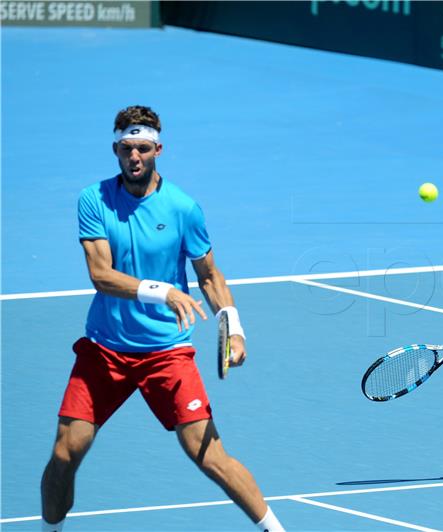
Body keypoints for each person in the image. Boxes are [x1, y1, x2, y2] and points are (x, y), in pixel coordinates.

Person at [40, 106, 285, 532]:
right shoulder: (93, 199)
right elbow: (100, 275)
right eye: (126, 149)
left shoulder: (183, 208)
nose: (134, 157)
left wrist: (235, 327)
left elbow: (208, 275)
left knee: (208, 454)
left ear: (158, 149)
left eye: (143, 149)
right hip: (105, 352)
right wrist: (164, 290)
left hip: (167, 353)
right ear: (116, 149)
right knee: (65, 452)